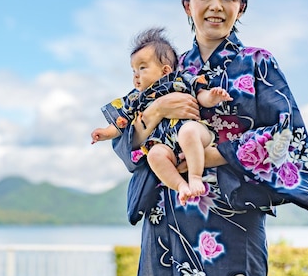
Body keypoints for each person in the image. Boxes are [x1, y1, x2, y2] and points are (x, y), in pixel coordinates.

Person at [110, 0, 308, 276]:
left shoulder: (258, 63)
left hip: (233, 215)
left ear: (241, 8)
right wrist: (156, 109)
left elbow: (285, 134)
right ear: (187, 5)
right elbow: (128, 144)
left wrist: (214, 154)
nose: (217, 6)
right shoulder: (167, 69)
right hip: (172, 214)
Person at [91, 27, 232, 205]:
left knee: (188, 132)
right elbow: (121, 121)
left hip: (193, 131)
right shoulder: (135, 97)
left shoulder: (181, 80)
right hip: (165, 145)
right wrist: (105, 132)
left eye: (142, 68)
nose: (136, 75)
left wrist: (213, 96)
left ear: (165, 71)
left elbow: (201, 95)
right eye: (133, 70)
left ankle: (195, 177)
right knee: (154, 155)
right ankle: (181, 186)